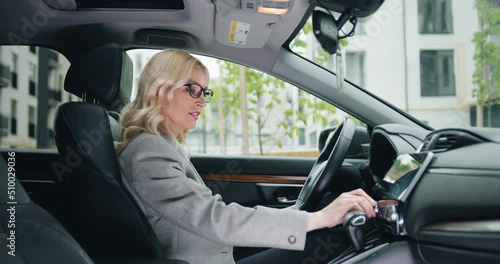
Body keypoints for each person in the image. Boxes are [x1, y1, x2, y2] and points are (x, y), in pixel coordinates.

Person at [116, 49, 376, 264]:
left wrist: (292, 215)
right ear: (161, 88)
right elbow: (212, 218)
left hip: (214, 252)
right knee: (331, 241)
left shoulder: (161, 145)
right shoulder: (149, 151)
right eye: (192, 89)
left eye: (204, 92)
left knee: (319, 238)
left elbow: (206, 214)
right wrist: (319, 217)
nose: (202, 102)